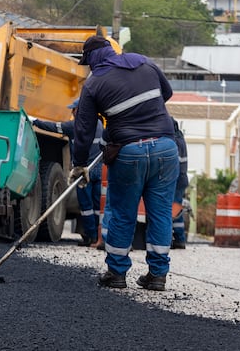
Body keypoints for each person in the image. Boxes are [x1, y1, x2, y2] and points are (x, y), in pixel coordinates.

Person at [70, 35, 178, 292]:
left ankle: (117, 273)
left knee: (122, 213)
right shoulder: (145, 63)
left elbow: (83, 129)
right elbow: (168, 92)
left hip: (129, 153)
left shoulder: (94, 84)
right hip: (165, 148)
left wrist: (80, 164)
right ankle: (157, 275)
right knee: (160, 214)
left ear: (93, 58)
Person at [33, 98, 103, 246]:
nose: (72, 112)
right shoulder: (98, 124)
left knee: (86, 206)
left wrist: (35, 122)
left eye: (74, 109)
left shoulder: (75, 126)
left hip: (84, 172)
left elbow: (54, 127)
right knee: (98, 206)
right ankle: (99, 238)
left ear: (81, 110)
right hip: (98, 169)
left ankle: (91, 237)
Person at [171, 120, 190, 249]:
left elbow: (173, 163)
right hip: (181, 178)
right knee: (176, 207)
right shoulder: (180, 139)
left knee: (174, 208)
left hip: (176, 179)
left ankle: (178, 238)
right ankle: (179, 238)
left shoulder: (175, 141)